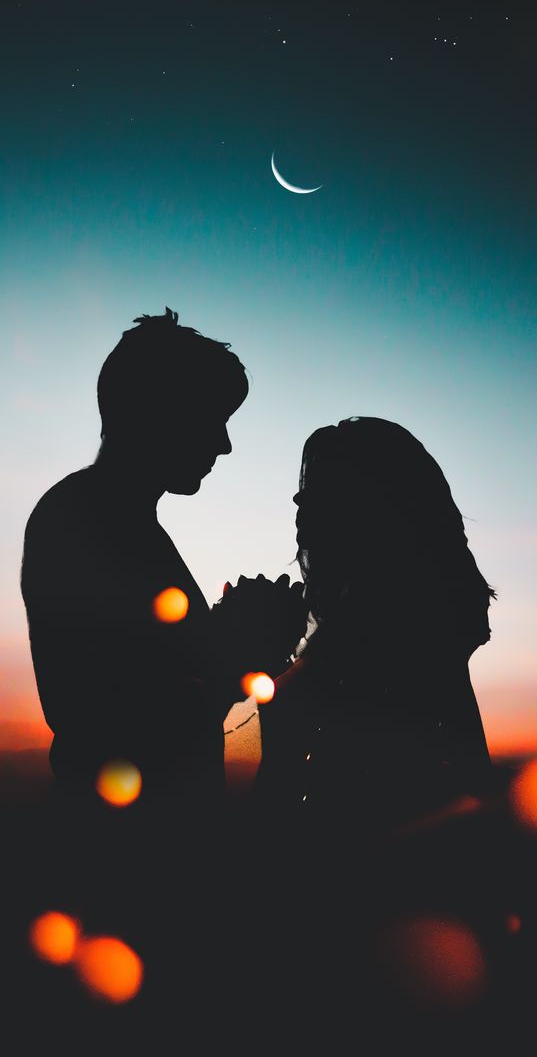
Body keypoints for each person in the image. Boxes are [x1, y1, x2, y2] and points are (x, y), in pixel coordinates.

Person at [20, 307, 307, 815]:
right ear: (157, 413)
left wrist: (234, 642)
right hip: (114, 854)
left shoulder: (124, 524)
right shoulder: (78, 520)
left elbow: (158, 678)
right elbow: (89, 717)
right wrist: (238, 654)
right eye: (212, 419)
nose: (224, 443)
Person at [254, 416, 496, 839]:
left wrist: (266, 662)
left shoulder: (381, 622)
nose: (297, 502)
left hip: (372, 858)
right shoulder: (412, 610)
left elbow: (287, 767)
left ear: (369, 505)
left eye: (317, 492)